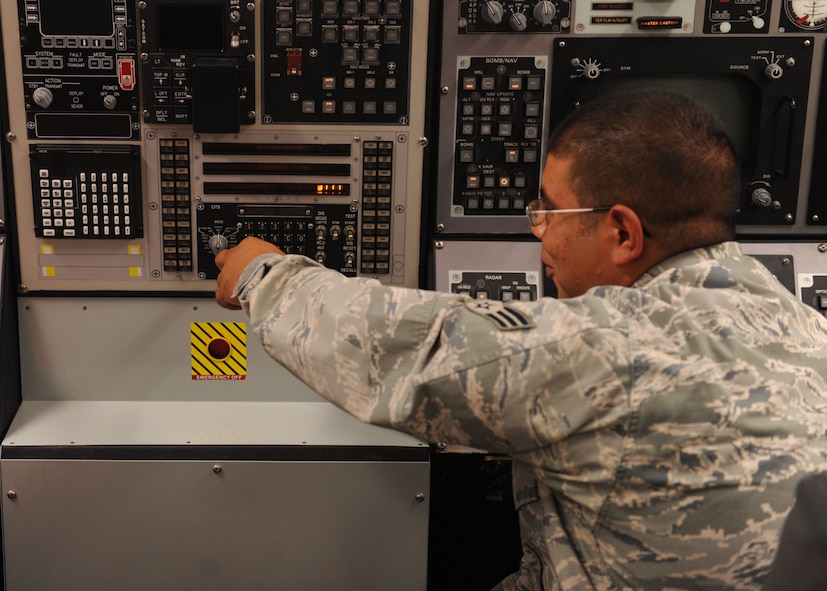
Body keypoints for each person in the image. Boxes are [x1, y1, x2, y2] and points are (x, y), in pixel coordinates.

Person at [215, 88, 827, 590]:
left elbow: (403, 350)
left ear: (622, 233)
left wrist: (264, 274)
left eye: (549, 213)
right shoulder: (805, 325)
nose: (540, 238)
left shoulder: (616, 349)